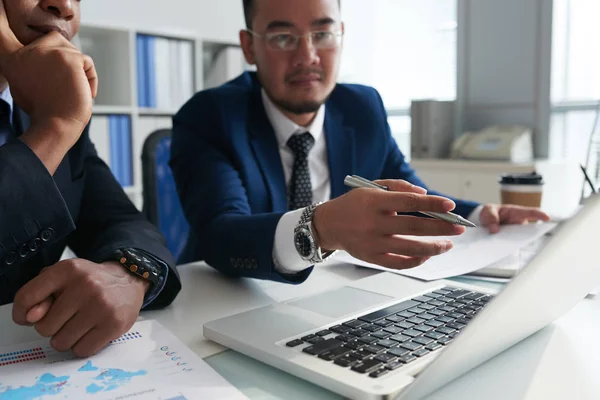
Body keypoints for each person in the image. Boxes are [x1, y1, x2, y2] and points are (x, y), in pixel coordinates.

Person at [170, 0, 549, 284]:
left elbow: (406, 192)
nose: (308, 56)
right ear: (250, 47)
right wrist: (319, 228)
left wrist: (480, 214)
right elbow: (220, 235)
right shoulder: (211, 116)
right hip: (230, 301)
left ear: (341, 35)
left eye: (322, 34)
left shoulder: (361, 107)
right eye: (283, 37)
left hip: (334, 293)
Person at [0, 0, 181, 357]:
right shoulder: (59, 109)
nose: (65, 6)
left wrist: (128, 273)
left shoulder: (48, 97)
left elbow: (118, 219)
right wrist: (56, 128)